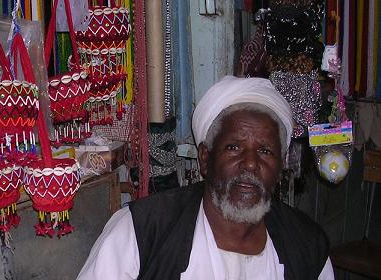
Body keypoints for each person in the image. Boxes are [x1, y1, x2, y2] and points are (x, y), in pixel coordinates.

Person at [77, 76, 334, 280]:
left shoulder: (307, 245)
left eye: (265, 151)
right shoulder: (141, 230)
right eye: (234, 147)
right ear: (204, 158)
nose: (251, 164)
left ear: (280, 168)